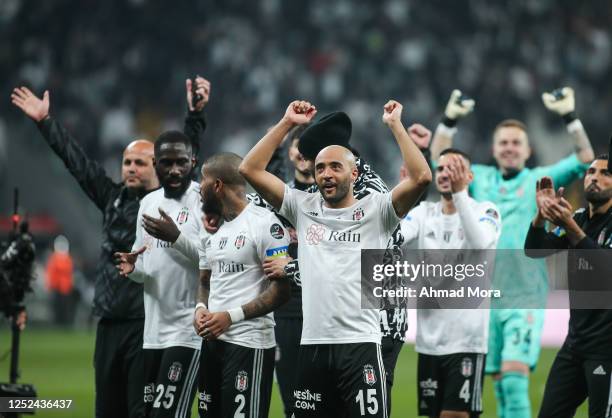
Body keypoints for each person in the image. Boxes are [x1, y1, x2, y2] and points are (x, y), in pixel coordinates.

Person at [11, 78, 209, 418]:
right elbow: (78, 165)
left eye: (140, 163)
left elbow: (184, 155)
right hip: (108, 320)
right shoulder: (112, 198)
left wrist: (194, 115)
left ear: (159, 169)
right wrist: (46, 123)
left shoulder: (164, 202)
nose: (131, 168)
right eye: (127, 162)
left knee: (140, 410)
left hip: (144, 322)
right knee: (106, 409)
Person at [239, 99, 431, 417]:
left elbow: (421, 178)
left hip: (361, 345)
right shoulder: (303, 206)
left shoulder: (379, 210)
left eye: (335, 167)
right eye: (320, 168)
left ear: (354, 172)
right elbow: (249, 169)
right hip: (313, 346)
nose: (326, 174)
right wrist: (286, 123)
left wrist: (396, 125)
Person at [430, 87, 594, 418]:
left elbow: (584, 159)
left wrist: (569, 117)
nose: (509, 148)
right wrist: (449, 121)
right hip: (486, 299)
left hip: (526, 297)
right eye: (503, 142)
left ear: (527, 149)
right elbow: (439, 160)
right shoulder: (482, 178)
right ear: (494, 148)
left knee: (516, 380)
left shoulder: (538, 178)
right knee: (502, 384)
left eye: (516, 143)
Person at [183, 152, 290, 417]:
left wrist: (231, 317)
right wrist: (199, 307)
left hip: (249, 344)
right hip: (212, 342)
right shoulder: (211, 227)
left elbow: (282, 291)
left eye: (203, 181)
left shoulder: (265, 224)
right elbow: (205, 280)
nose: (199, 189)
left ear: (217, 185)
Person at [400, 148, 501, 417]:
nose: (446, 174)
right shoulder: (423, 212)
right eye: (442, 168)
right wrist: (404, 190)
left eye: (454, 169)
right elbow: (396, 235)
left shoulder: (487, 211)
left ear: (469, 176)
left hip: (467, 341)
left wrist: (459, 195)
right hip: (429, 341)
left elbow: (480, 243)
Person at [115, 131, 204, 418]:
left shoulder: (205, 201)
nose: (175, 169)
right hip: (153, 333)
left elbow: (216, 261)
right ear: (156, 164)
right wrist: (133, 269)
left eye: (181, 162)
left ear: (193, 161)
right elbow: (147, 267)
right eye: (167, 163)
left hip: (189, 331)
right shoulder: (148, 203)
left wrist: (176, 237)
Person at [524, 155, 612, 418]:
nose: (594, 177)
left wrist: (570, 225)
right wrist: (542, 215)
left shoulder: (578, 223)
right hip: (575, 345)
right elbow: (535, 250)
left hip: (607, 350)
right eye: (590, 172)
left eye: (605, 173)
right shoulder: (580, 217)